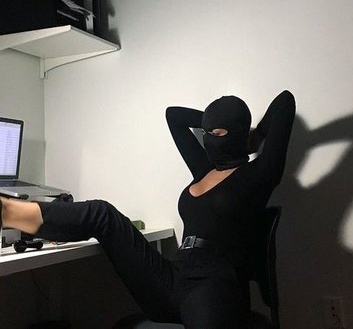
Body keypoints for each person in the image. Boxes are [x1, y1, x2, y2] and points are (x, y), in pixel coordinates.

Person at [0, 90, 295, 329]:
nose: (208, 139)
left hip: (216, 287)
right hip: (173, 278)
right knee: (103, 213)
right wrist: (212, 122)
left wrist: (254, 135)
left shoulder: (259, 174)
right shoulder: (204, 169)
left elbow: (285, 102)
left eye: (217, 132)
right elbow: (174, 116)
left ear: (237, 133)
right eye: (206, 132)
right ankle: (10, 213)